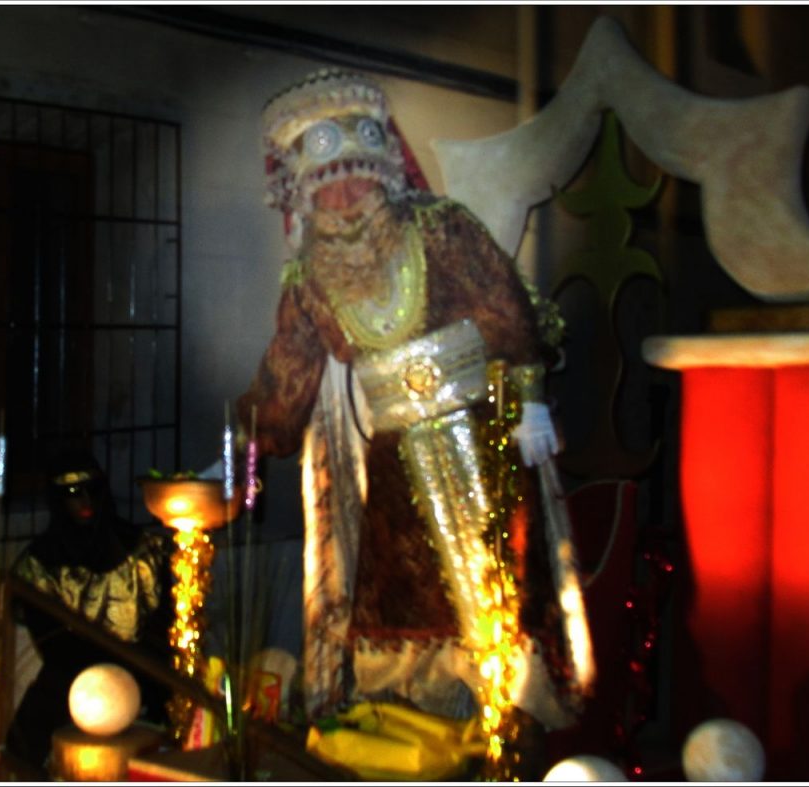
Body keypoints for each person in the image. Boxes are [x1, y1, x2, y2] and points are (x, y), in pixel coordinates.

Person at [236, 69, 593, 778]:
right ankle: (429, 749)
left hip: (485, 437)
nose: (345, 198)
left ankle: (508, 744)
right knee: (402, 602)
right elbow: (287, 373)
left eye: (357, 180)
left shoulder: (442, 227)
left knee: (501, 592)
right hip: (396, 461)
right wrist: (246, 440)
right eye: (328, 187)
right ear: (305, 196)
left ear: (383, 176)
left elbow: (504, 308)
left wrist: (530, 398)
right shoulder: (308, 277)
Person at [5, 448, 174, 775]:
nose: (85, 501)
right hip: (73, 680)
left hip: (142, 671)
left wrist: (135, 667)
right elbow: (51, 642)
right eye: (72, 492)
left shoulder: (144, 553)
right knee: (25, 745)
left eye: (92, 489)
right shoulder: (38, 566)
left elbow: (161, 622)